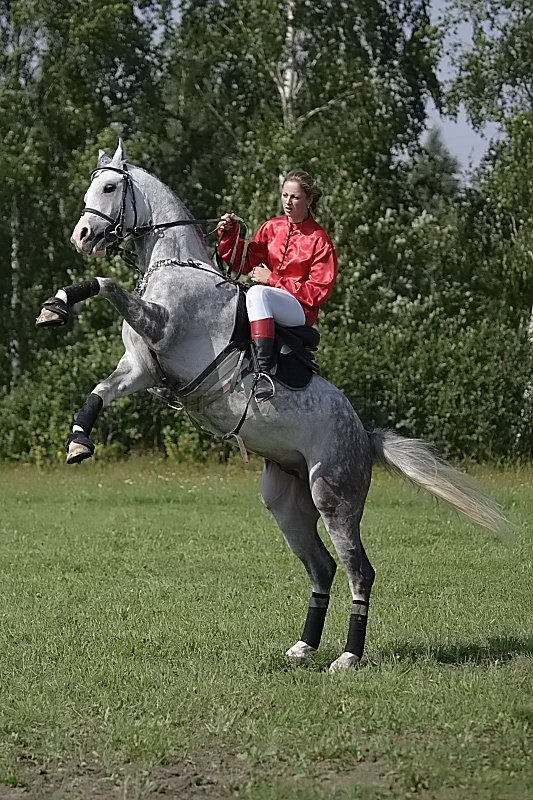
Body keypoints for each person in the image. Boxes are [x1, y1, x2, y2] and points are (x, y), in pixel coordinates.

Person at [218, 170, 338, 402]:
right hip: (268, 297)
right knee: (241, 293)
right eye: (285, 196)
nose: (288, 203)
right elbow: (245, 261)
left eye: (295, 197)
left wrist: (273, 279)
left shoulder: (320, 240)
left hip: (301, 310)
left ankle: (263, 373)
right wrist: (229, 234)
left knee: (257, 292)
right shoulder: (271, 227)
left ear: (309, 200)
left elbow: (317, 293)